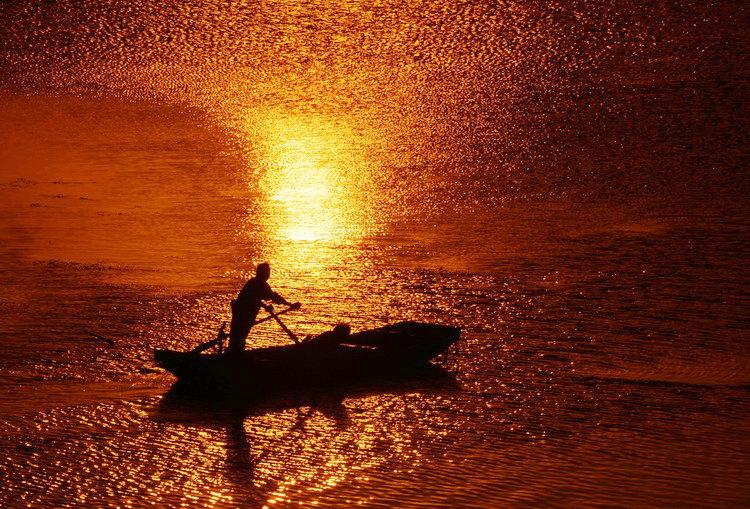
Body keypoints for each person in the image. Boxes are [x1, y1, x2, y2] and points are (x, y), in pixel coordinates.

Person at [226, 262, 295, 354]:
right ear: (263, 273)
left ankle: (235, 355)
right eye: (267, 272)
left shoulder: (255, 282)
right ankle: (234, 357)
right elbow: (272, 297)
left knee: (238, 337)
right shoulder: (259, 284)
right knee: (239, 337)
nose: (268, 275)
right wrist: (290, 304)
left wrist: (264, 306)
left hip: (242, 313)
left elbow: (256, 298)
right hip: (243, 314)